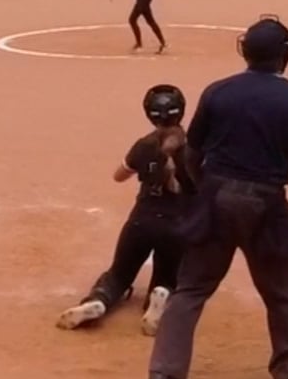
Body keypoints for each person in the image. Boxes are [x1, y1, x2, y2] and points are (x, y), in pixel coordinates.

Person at [145, 16, 288, 379]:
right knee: (281, 291)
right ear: (285, 56)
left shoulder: (218, 92)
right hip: (265, 202)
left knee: (191, 289)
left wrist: (203, 189)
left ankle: (163, 374)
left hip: (216, 196)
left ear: (245, 52)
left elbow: (192, 152)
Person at [58, 85, 195, 335]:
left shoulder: (145, 145)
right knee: (168, 276)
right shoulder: (194, 149)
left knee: (118, 275)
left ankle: (98, 301)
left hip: (141, 220)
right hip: (177, 224)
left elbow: (119, 176)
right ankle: (161, 295)